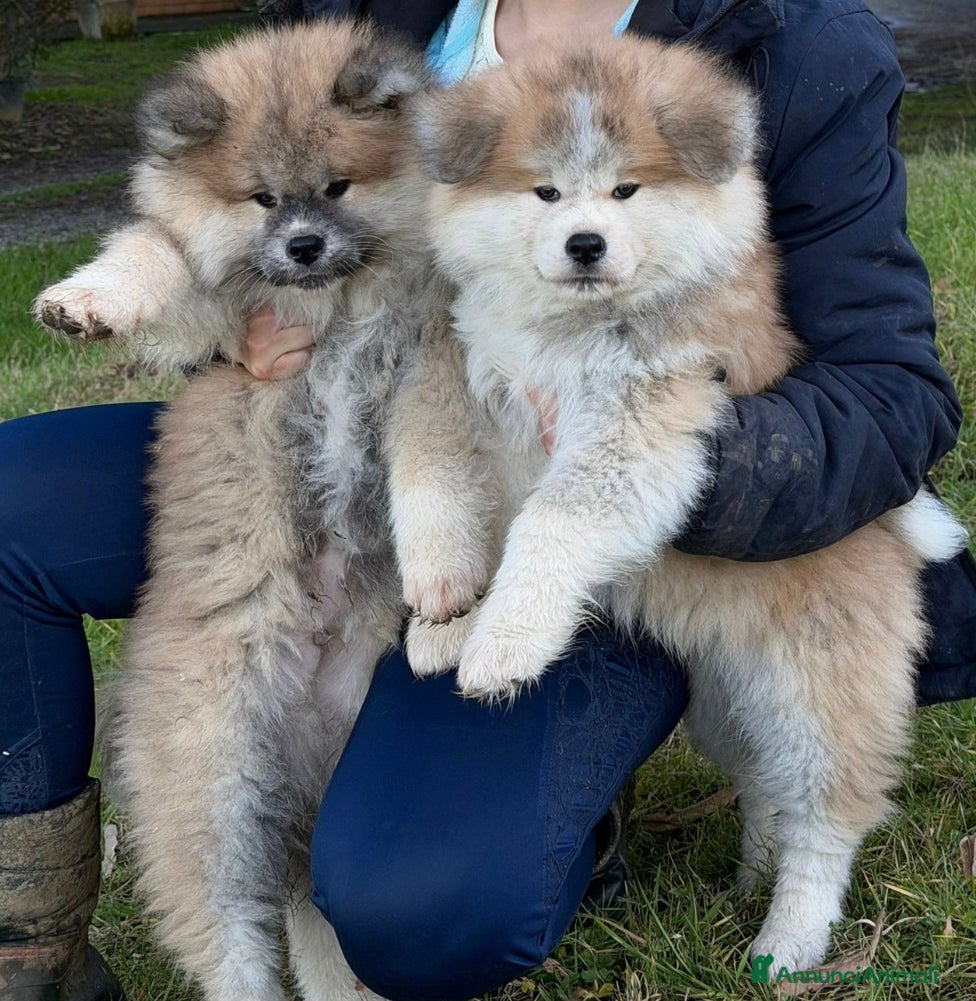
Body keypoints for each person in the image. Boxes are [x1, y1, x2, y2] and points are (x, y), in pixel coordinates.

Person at [1, 1, 974, 999]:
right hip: (310, 460)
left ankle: (561, 809)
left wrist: (635, 460)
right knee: (11, 496)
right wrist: (232, 330)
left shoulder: (792, 44)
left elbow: (889, 395)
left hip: (568, 532)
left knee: (414, 905)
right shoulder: (372, 21)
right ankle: (28, 943)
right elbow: (232, 211)